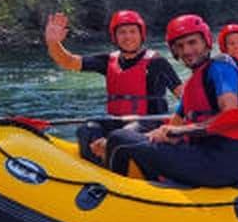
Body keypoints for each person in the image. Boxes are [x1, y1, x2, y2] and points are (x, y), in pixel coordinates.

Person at [103, 14, 238, 187]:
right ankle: (152, 192)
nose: (187, 51)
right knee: (128, 139)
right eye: (180, 46)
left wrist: (178, 132)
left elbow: (229, 117)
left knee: (118, 138)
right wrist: (149, 136)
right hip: (205, 156)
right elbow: (173, 125)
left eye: (192, 42)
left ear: (206, 42)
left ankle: (112, 195)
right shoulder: (193, 84)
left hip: (223, 165)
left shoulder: (221, 68)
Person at [44, 10, 182, 164]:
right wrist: (53, 43)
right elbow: (69, 61)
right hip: (118, 121)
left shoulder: (157, 62)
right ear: (115, 37)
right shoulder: (108, 61)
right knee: (88, 129)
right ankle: (97, 170)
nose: (127, 36)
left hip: (149, 123)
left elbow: (184, 95)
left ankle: (118, 168)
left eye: (132, 31)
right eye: (122, 32)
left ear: (141, 34)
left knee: (121, 136)